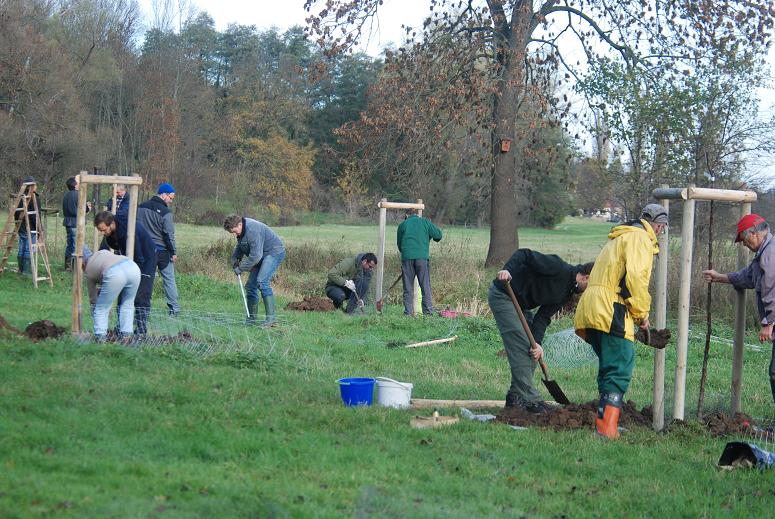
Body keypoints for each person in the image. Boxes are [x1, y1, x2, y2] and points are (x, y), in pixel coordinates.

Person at [574, 203, 667, 439]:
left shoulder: (620, 236)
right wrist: (642, 315)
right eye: (662, 229)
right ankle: (606, 430)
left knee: (609, 368)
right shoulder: (640, 239)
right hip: (610, 309)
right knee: (619, 367)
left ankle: (604, 423)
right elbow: (635, 280)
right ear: (658, 226)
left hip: (591, 307)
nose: (661, 233)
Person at [488, 249, 593, 413]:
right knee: (521, 347)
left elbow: (543, 317)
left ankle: (516, 397)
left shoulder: (567, 293)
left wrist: (537, 343)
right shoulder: (558, 268)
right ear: (586, 277)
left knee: (531, 350)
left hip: (520, 305)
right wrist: (507, 270)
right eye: (590, 286)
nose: (589, 291)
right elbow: (525, 254)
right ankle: (531, 399)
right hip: (504, 295)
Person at [703, 214, 775, 406]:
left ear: (754, 233)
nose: (743, 244)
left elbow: (771, 289)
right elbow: (747, 277)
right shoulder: (765, 253)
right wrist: (719, 277)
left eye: (743, 239)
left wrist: (768, 323)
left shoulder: (770, 255)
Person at [94, 210, 157, 335]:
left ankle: (141, 329)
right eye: (100, 230)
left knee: (141, 295)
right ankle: (122, 327)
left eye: (103, 230)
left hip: (146, 260)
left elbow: (138, 257)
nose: (102, 233)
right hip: (130, 261)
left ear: (112, 223)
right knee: (123, 294)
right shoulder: (112, 231)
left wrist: (133, 276)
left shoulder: (128, 231)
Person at [224, 215, 285, 326]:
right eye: (232, 232)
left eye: (235, 231)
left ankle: (271, 320)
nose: (235, 234)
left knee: (262, 281)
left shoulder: (252, 230)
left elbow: (256, 256)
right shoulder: (241, 231)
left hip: (273, 252)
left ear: (240, 224)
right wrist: (235, 259)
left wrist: (241, 268)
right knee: (251, 286)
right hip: (261, 255)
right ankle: (251, 320)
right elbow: (241, 246)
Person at [137, 182, 180, 316]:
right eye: (170, 198)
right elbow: (168, 234)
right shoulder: (166, 212)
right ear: (163, 195)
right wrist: (173, 252)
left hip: (144, 250)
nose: (171, 201)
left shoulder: (140, 207)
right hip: (162, 252)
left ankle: (141, 309)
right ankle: (174, 309)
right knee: (169, 279)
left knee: (144, 279)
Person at [84, 249, 141, 342]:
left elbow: (93, 299)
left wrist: (94, 313)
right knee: (128, 304)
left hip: (115, 272)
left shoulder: (88, 269)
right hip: (133, 267)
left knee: (101, 307)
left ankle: (100, 338)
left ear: (82, 263)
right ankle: (126, 338)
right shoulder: (102, 252)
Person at [397, 208, 443, 315]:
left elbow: (399, 244)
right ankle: (428, 313)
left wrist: (407, 253)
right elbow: (438, 235)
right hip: (422, 259)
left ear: (406, 216)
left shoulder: (403, 225)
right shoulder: (425, 222)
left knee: (408, 288)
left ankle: (408, 313)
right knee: (425, 286)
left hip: (407, 258)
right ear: (418, 215)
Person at [62, 176, 91, 271]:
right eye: (78, 183)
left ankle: (68, 266)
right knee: (78, 245)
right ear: (75, 185)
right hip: (76, 223)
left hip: (68, 223)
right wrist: (88, 208)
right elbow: (83, 210)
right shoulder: (79, 195)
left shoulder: (66, 195)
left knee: (70, 245)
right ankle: (79, 267)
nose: (79, 184)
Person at [15, 176, 40, 276]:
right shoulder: (34, 197)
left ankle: (21, 270)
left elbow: (16, 213)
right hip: (31, 226)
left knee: (22, 246)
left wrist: (17, 224)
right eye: (35, 185)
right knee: (28, 248)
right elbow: (35, 215)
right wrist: (39, 228)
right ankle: (26, 271)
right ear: (31, 186)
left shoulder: (20, 197)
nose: (36, 187)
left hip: (21, 225)